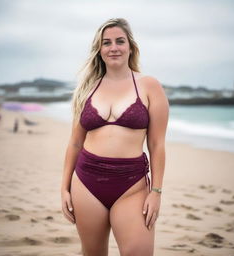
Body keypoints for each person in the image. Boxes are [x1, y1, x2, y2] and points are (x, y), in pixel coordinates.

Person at [61, 18, 169, 256]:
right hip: (86, 183)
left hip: (131, 184)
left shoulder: (149, 86)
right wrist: (64, 187)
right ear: (99, 50)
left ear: (130, 46)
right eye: (106, 43)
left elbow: (157, 144)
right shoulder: (87, 88)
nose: (114, 47)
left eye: (120, 41)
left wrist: (156, 192)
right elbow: (75, 142)